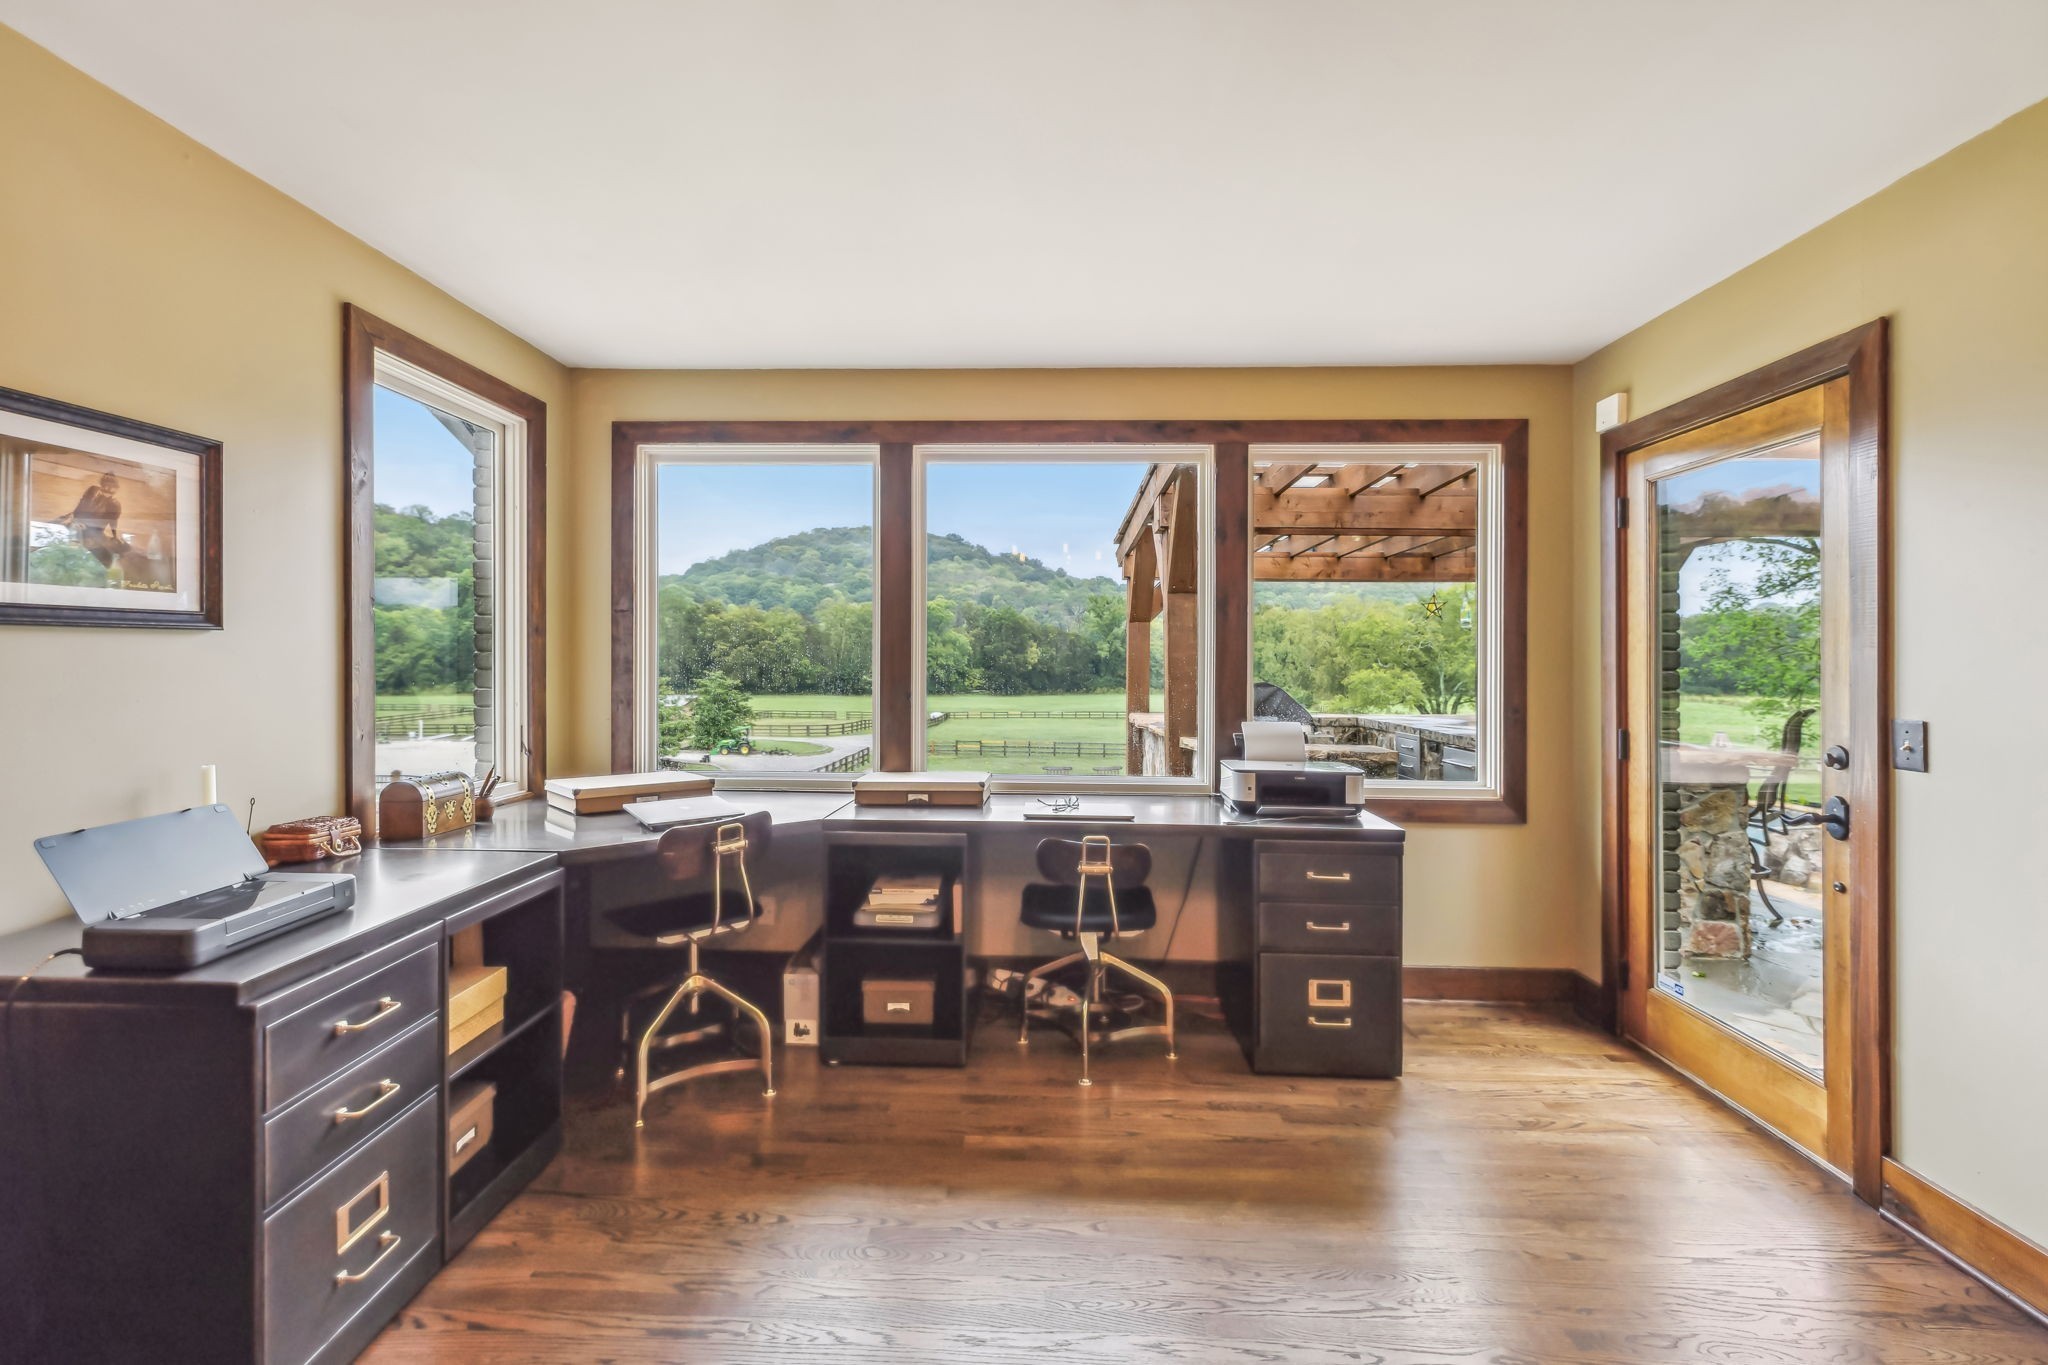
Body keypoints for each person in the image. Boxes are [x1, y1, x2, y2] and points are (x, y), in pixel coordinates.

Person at [58, 473, 125, 572]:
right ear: (102, 484)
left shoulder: (115, 504)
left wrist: (115, 536)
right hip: (77, 525)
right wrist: (72, 517)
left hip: (93, 532)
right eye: (105, 484)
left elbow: (112, 522)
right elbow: (81, 505)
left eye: (111, 486)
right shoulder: (92, 490)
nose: (107, 488)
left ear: (115, 489)